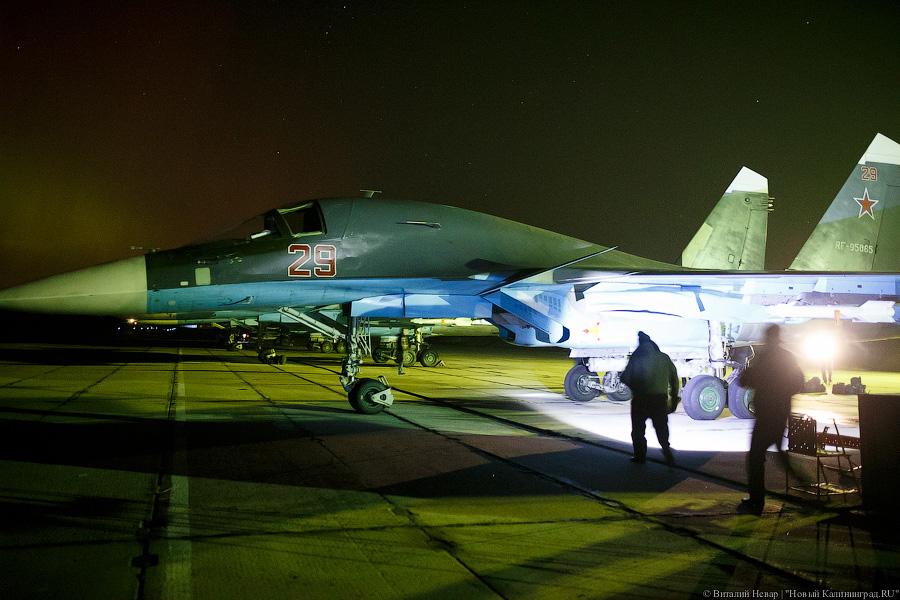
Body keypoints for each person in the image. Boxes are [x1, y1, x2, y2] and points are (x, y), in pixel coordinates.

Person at [737, 324, 805, 515]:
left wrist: (747, 375)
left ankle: (756, 502)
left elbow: (748, 381)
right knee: (779, 455)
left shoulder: (765, 358)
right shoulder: (787, 357)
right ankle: (805, 485)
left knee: (755, 458)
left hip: (766, 415)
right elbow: (798, 381)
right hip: (779, 414)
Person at [619, 331, 680, 466]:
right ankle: (666, 449)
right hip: (659, 400)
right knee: (661, 427)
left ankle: (639, 456)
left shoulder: (637, 357)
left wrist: (635, 387)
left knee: (638, 430)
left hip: (640, 399)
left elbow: (625, 377)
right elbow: (674, 379)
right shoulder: (664, 358)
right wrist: (674, 397)